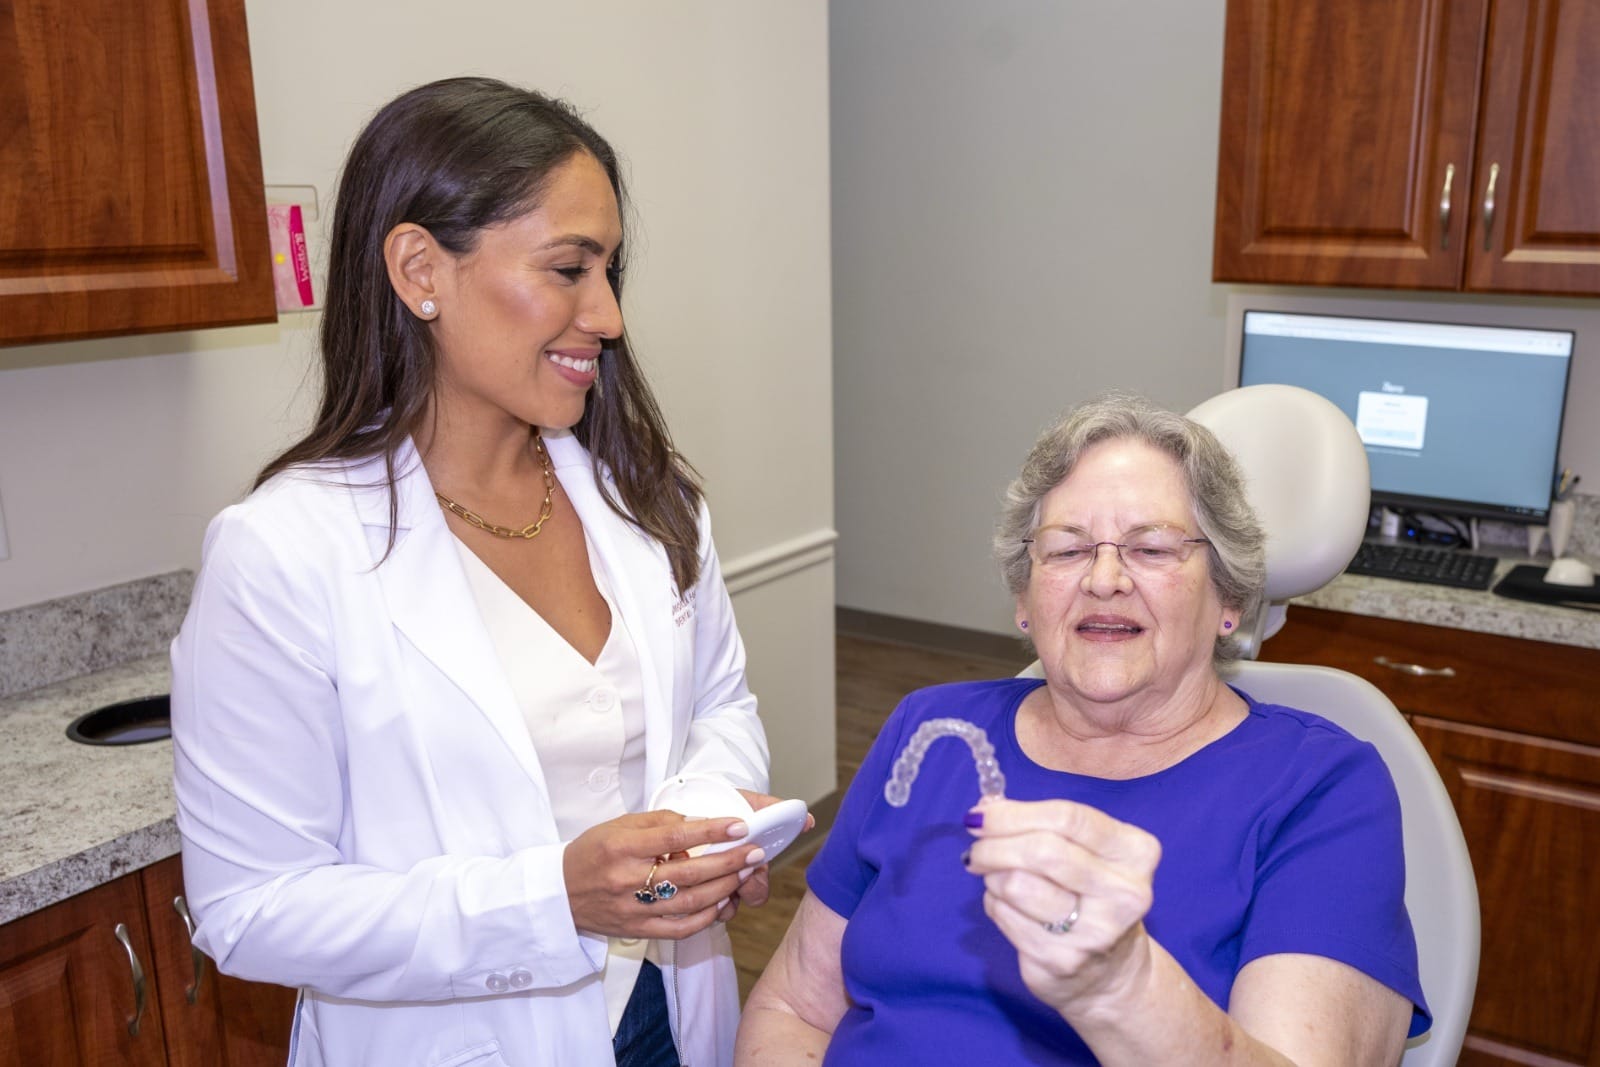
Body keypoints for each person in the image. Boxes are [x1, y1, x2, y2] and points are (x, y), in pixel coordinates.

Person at [171, 77, 777, 1067]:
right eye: (570, 268)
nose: (610, 315)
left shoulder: (647, 497)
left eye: (611, 270)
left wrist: (699, 831)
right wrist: (553, 900)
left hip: (670, 1009)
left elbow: (722, 708)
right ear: (420, 268)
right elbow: (252, 908)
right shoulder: (285, 552)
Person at [736, 394, 1429, 1065]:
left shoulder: (1321, 787)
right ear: (1023, 595)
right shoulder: (931, 729)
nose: (1104, 578)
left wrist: (1120, 984)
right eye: (1067, 550)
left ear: (1230, 598)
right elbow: (792, 1008)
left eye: (1151, 549)